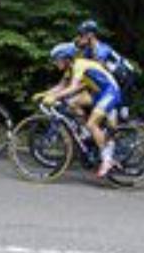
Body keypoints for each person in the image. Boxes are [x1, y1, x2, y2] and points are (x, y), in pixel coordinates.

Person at [37, 42, 122, 178]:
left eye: (56, 59)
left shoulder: (79, 65)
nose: (54, 63)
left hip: (110, 92)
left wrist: (54, 97)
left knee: (92, 123)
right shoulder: (70, 69)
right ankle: (85, 133)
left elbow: (72, 88)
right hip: (97, 92)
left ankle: (107, 160)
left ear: (65, 58)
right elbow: (61, 86)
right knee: (72, 103)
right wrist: (44, 94)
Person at [73, 20, 137, 105]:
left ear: (90, 35)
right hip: (113, 79)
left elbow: (96, 73)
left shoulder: (101, 49)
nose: (78, 38)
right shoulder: (88, 51)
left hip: (125, 79)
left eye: (81, 35)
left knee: (119, 112)